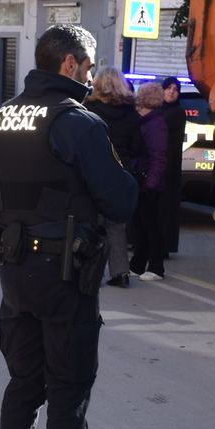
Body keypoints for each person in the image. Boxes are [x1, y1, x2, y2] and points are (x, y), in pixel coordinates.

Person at [0, 24, 138, 429]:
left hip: (13, 271)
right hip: (63, 274)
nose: (93, 76)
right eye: (90, 66)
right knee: (68, 393)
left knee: (23, 387)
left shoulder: (4, 114)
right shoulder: (77, 121)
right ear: (70, 64)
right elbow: (120, 199)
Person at [85, 68, 142, 288]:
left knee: (91, 222)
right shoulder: (131, 113)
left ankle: (92, 271)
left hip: (96, 169)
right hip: (122, 171)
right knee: (116, 223)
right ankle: (120, 273)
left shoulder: (89, 109)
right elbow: (137, 146)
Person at [130, 81, 169, 280]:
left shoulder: (154, 124)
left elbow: (158, 156)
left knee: (151, 226)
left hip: (148, 182)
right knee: (141, 225)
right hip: (144, 179)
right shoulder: (149, 120)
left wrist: (151, 183)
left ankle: (155, 267)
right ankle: (138, 264)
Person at [159, 76, 187, 255]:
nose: (171, 91)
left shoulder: (175, 112)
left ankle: (165, 245)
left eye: (175, 89)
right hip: (162, 164)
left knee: (166, 206)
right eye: (168, 88)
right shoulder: (162, 110)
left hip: (169, 166)